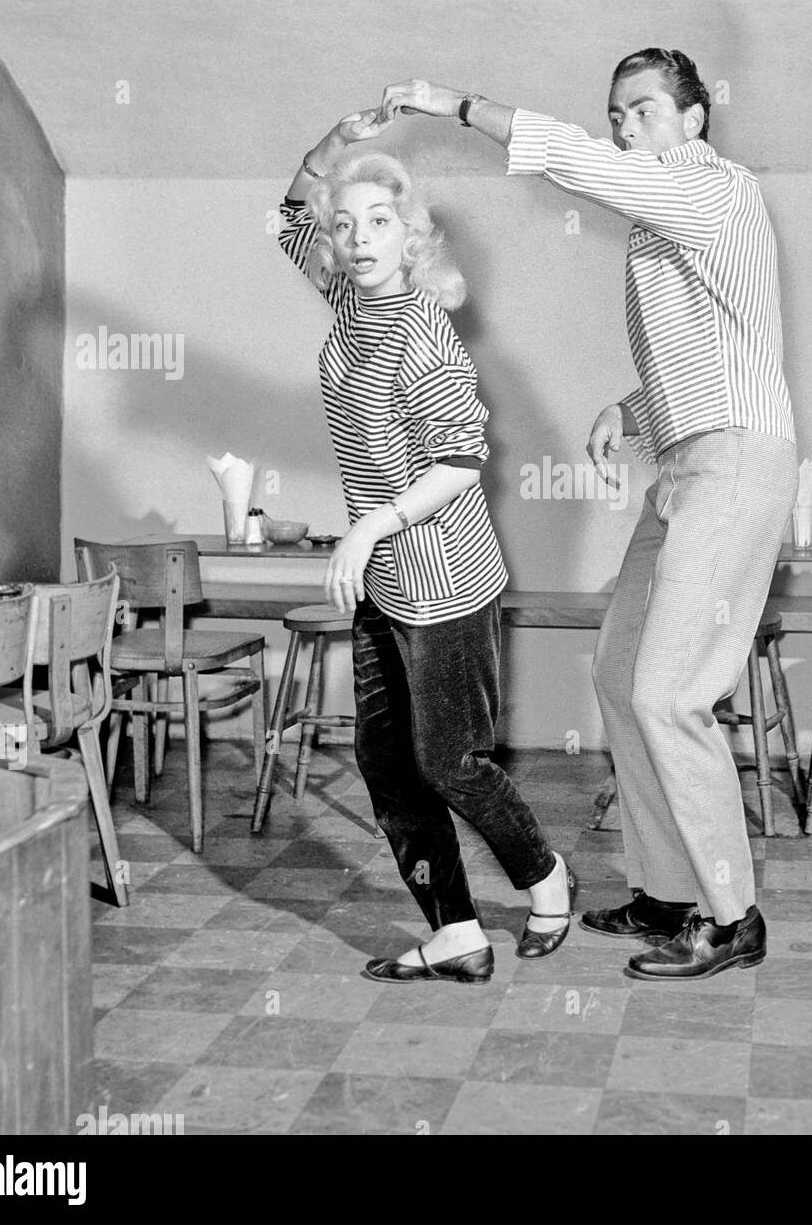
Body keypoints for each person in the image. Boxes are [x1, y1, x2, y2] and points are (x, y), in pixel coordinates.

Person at [378, 51, 798, 981]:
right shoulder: (664, 228)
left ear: (694, 121)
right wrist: (633, 409)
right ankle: (668, 891)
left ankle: (732, 917)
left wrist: (457, 104)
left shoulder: (718, 193)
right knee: (619, 675)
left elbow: (584, 165)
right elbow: (715, 348)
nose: (623, 127)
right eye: (615, 114)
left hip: (733, 462)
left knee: (671, 694)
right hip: (689, 459)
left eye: (644, 110)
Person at [275, 114, 576, 983]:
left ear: (411, 241)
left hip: (443, 576)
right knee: (384, 758)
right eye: (347, 225)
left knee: (449, 760)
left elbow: (458, 459)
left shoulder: (422, 330)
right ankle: (454, 930)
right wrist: (333, 138)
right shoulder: (346, 298)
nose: (357, 238)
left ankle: (545, 875)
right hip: (383, 578)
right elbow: (292, 210)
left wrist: (367, 525)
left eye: (379, 223)